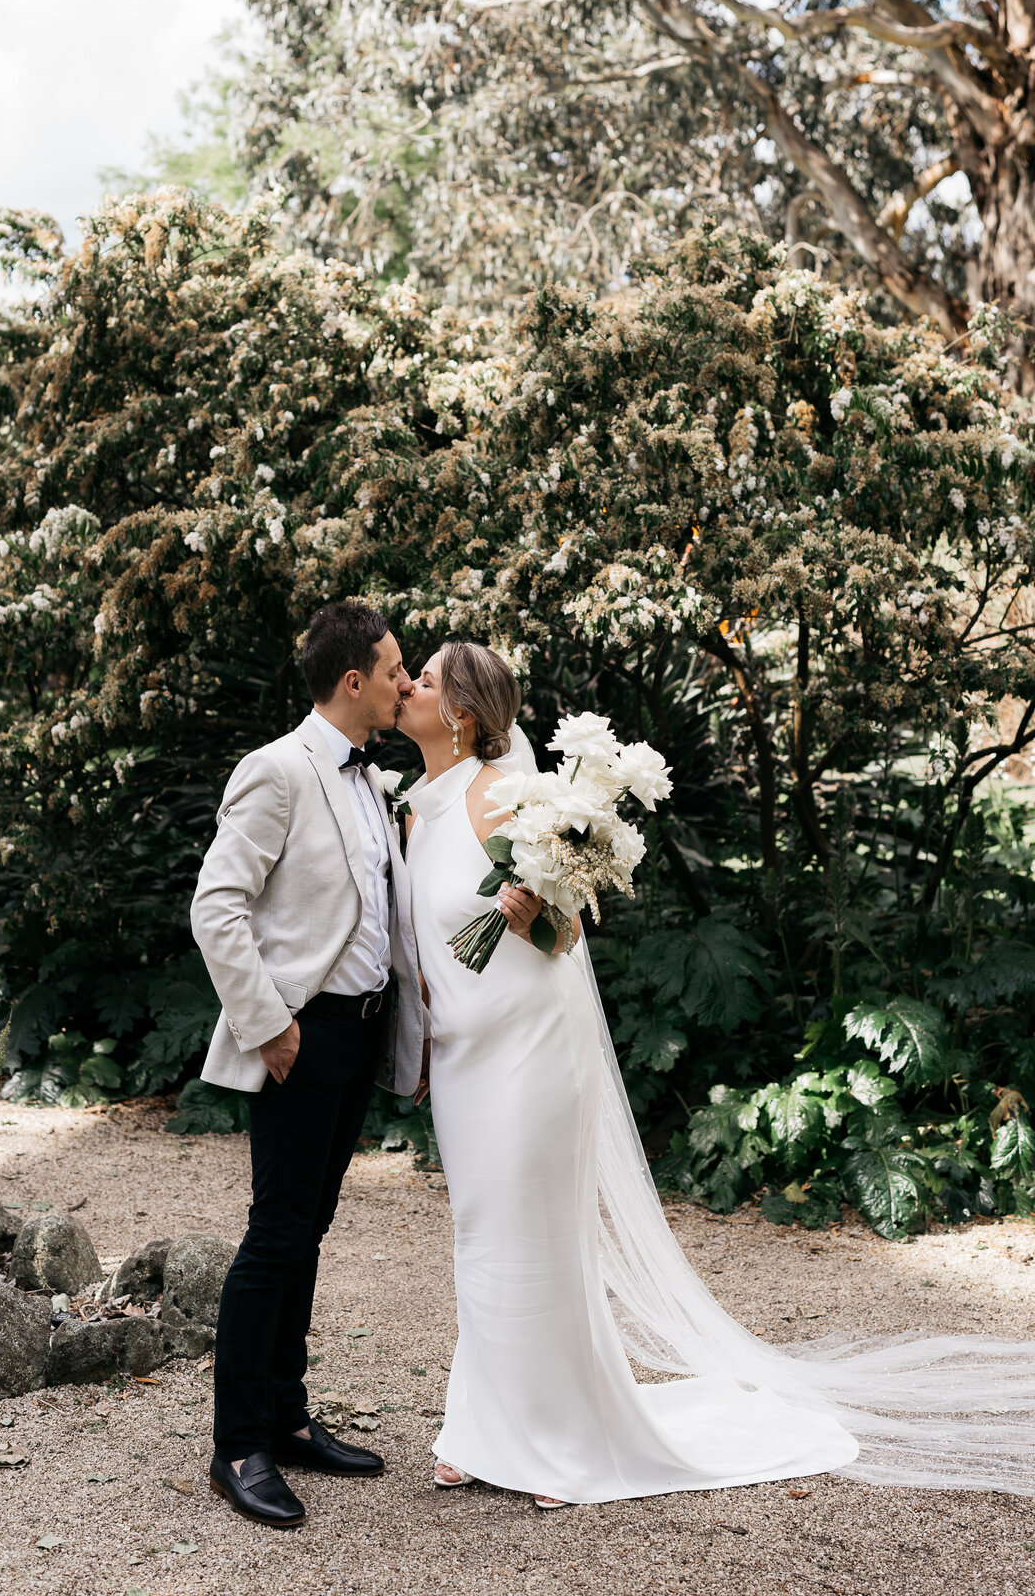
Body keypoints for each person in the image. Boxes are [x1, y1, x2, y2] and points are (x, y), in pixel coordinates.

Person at [398, 640, 1035, 1508]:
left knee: (534, 1235)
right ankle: (479, 1427)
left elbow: (567, 937)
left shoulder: (503, 798)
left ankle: (563, 1442)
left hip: (530, 1053)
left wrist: (526, 916)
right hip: (464, 1059)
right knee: (481, 1232)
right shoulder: (418, 806)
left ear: (462, 713)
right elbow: (421, 950)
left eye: (424, 681)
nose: (407, 688)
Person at [190, 600, 424, 1529]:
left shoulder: (372, 779)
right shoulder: (277, 771)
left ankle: (286, 1419)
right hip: (301, 1036)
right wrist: (270, 1025)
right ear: (354, 681)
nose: (408, 684)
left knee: (310, 1226)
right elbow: (217, 908)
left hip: (358, 1033)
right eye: (397, 668)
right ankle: (239, 1444)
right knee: (276, 1233)